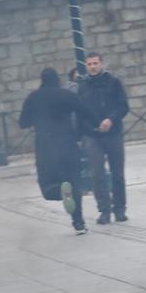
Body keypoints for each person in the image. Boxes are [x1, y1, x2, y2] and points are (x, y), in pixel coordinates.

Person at [18, 68, 92, 235]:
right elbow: (84, 112)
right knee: (73, 183)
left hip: (45, 148)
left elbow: (22, 122)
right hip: (67, 145)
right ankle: (78, 223)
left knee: (46, 185)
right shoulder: (66, 95)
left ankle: (59, 190)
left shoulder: (33, 98)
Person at [78, 52, 129, 224]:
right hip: (92, 135)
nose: (92, 67)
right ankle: (104, 210)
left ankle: (120, 209)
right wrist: (82, 133)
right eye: (89, 64)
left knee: (117, 173)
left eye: (95, 63)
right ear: (86, 66)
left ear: (101, 64)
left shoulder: (113, 83)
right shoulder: (83, 86)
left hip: (113, 133)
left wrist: (111, 119)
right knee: (97, 174)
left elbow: (123, 106)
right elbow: (79, 112)